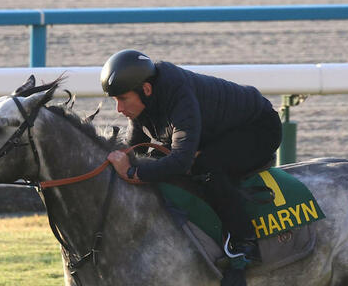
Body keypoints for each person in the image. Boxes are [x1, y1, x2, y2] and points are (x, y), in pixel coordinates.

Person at [102, 49, 282, 264]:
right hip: (221, 130)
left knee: (205, 166)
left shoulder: (179, 96)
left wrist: (133, 172)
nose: (119, 109)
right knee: (158, 159)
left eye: (122, 99)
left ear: (147, 89)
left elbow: (180, 161)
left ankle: (245, 243)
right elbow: (135, 150)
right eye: (115, 100)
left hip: (259, 128)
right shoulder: (143, 101)